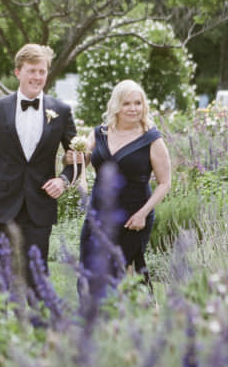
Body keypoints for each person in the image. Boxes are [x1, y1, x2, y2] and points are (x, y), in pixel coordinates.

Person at [0, 43, 76, 290]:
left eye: (42, 71)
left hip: (39, 207)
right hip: (1, 205)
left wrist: (64, 180)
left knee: (37, 280)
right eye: (32, 71)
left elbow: (78, 156)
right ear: (18, 72)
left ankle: (37, 328)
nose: (37, 77)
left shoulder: (61, 111)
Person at [72, 79, 171, 291]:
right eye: (127, 103)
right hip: (97, 214)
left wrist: (143, 213)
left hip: (132, 219)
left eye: (138, 103)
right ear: (116, 105)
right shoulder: (99, 133)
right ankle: (92, 320)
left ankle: (139, 320)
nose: (133, 108)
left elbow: (164, 183)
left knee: (124, 277)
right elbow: (80, 162)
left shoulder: (152, 139)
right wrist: (79, 179)